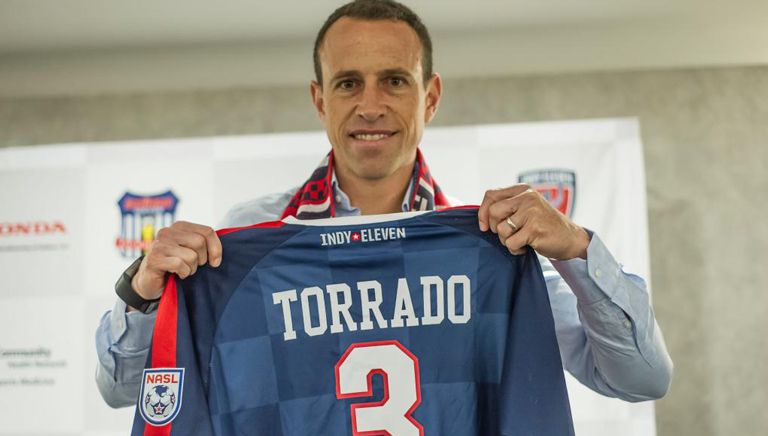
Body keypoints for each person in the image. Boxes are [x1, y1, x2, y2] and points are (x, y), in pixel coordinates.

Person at [96, 0, 672, 409]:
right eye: (348, 83)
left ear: (431, 97)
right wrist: (143, 291)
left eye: (394, 80)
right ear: (320, 100)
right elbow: (122, 390)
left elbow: (642, 380)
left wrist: (577, 250)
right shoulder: (248, 238)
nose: (370, 105)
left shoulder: (493, 249)